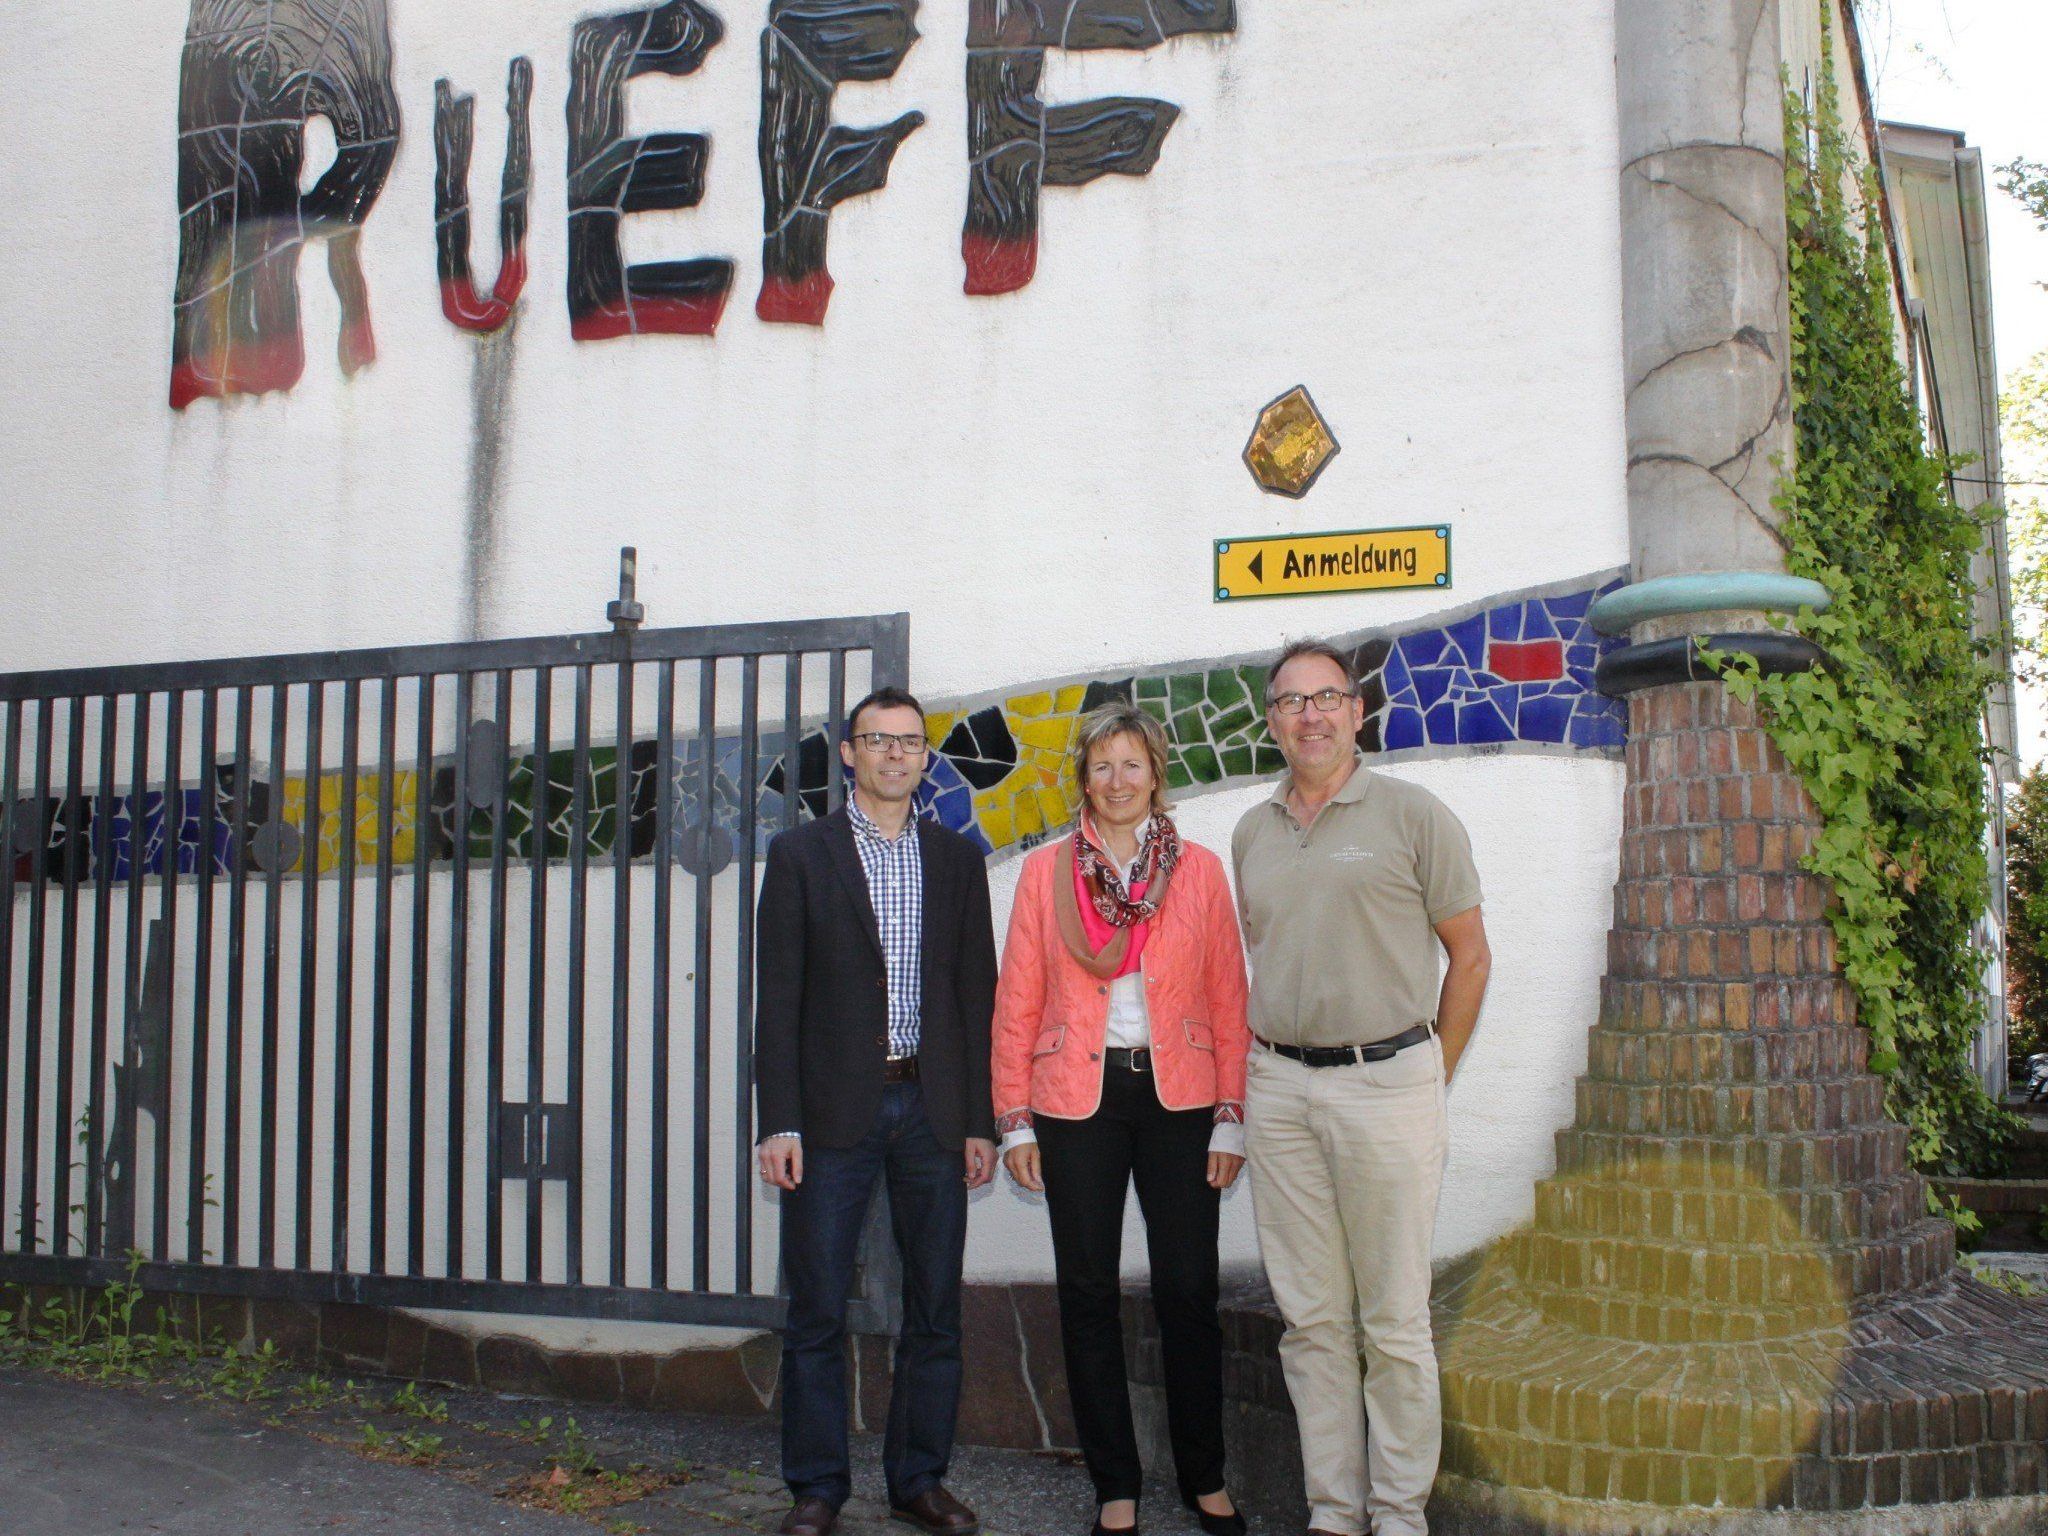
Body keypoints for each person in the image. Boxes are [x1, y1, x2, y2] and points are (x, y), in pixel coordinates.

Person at [1232, 640, 1492, 1536]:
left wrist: (1430, 1073)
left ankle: (1399, 1515)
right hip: (1280, 1092)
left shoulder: (1415, 815)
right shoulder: (1251, 832)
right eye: (1291, 701)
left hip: (1388, 1086)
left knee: (1392, 1321)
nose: (1310, 715)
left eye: (1327, 697)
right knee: (1310, 1324)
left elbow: (1471, 956)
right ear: (1271, 720)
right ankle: (1334, 1514)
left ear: (1356, 711)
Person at [991, 701, 1252, 1536]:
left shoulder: (1202, 871)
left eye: (1132, 763)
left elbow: (1229, 994)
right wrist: (1015, 1118)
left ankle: (1204, 1475)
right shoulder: (1044, 874)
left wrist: (1231, 1113)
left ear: (1156, 773)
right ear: (1083, 777)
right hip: (1076, 1099)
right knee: (1088, 1291)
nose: (1117, 780)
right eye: (1101, 765)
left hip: (1182, 1097)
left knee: (1187, 1289)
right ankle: (1116, 1485)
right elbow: (1017, 998)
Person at [755, 686, 999, 1536]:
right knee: (817, 1307)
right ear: (850, 753)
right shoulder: (799, 856)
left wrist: (980, 1120)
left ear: (926, 758)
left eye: (910, 742)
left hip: (932, 1112)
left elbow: (978, 995)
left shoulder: (958, 861)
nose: (895, 755)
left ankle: (917, 1480)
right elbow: (777, 998)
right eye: (877, 741)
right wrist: (778, 1121)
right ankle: (817, 1488)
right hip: (828, 1119)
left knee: (934, 1307)